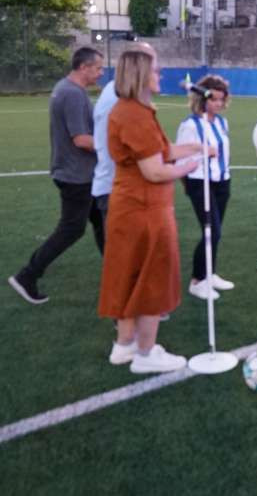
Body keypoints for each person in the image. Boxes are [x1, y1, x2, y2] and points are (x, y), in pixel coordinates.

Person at [99, 49, 203, 374]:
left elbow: (161, 150)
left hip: (131, 208)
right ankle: (146, 353)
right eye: (156, 70)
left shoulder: (135, 110)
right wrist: (189, 167)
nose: (161, 73)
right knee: (153, 278)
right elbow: (155, 171)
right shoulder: (134, 115)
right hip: (144, 211)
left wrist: (197, 147)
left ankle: (125, 344)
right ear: (141, 76)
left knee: (129, 275)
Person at [9, 47, 105, 304]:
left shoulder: (67, 88)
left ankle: (117, 270)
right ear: (83, 67)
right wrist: (114, 147)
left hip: (81, 172)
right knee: (72, 228)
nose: (100, 73)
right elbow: (82, 139)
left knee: (102, 220)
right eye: (98, 68)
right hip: (76, 175)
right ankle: (27, 276)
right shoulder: (72, 94)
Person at [175, 74, 235, 300]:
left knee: (215, 233)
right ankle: (197, 280)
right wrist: (188, 186)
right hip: (200, 182)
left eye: (221, 100)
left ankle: (210, 274)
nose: (218, 104)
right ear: (204, 99)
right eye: (214, 99)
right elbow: (180, 159)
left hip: (222, 182)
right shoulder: (190, 125)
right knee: (212, 231)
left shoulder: (222, 122)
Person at [92, 42, 156, 226]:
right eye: (153, 65)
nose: (158, 71)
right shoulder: (121, 99)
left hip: (119, 188)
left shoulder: (121, 93)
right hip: (118, 190)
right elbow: (144, 154)